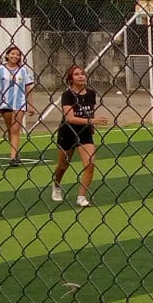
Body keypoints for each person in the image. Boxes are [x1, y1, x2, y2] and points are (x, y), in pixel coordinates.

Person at [51, 65, 108, 208]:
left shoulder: (91, 94)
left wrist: (91, 126)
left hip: (84, 133)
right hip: (68, 133)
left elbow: (90, 110)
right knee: (63, 165)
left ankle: (81, 196)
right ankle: (56, 185)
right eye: (76, 74)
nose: (81, 76)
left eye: (82, 73)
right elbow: (70, 118)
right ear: (71, 79)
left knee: (90, 164)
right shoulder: (67, 95)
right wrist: (92, 121)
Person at [0, 45, 36, 165]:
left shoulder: (23, 70)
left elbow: (28, 87)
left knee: (15, 129)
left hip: (19, 103)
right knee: (10, 129)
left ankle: (13, 157)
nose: (15, 56)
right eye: (13, 54)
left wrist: (30, 104)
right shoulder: (0, 69)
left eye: (18, 55)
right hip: (5, 103)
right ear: (7, 55)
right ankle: (15, 150)